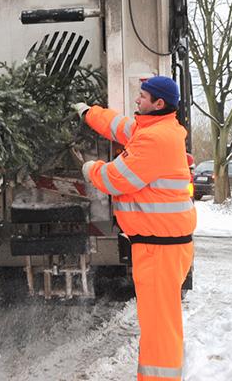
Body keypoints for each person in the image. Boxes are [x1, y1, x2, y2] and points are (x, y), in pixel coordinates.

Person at [72, 76, 196, 380]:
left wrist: (90, 168)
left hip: (160, 249)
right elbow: (117, 125)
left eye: (142, 96)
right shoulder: (152, 128)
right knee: (158, 322)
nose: (137, 100)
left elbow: (116, 179)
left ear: (159, 103)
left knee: (159, 327)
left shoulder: (156, 139)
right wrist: (88, 112)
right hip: (158, 245)